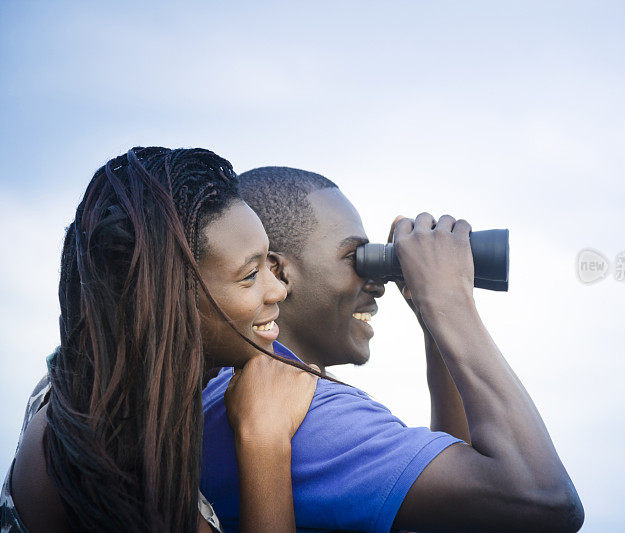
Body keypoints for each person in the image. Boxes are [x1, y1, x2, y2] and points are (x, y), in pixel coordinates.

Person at [200, 167, 584, 532]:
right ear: (279, 273)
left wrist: (432, 323)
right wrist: (448, 301)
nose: (379, 283)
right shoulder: (305, 417)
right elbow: (543, 498)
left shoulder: (229, 395)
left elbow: (455, 516)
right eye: (356, 257)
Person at [1, 149, 320, 532]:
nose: (278, 290)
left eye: (269, 263)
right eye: (250, 275)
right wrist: (264, 439)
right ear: (168, 298)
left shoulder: (83, 383)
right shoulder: (110, 462)